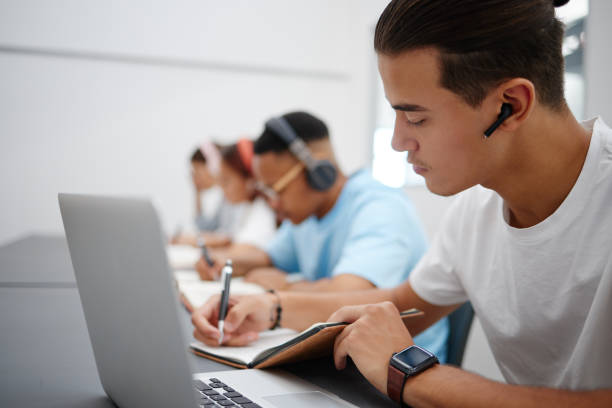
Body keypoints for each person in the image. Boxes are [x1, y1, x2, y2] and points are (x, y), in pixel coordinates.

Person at [191, 0, 612, 406]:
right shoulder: (476, 211)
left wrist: (415, 376)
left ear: (511, 105)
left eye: (415, 118)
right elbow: (403, 304)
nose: (397, 142)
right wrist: (272, 308)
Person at [195, 110, 449, 362]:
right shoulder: (305, 215)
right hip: (338, 355)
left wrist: (283, 286)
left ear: (318, 171)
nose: (273, 204)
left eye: (276, 190)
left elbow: (347, 294)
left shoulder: (379, 207)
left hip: (397, 370)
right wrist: (222, 261)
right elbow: (266, 257)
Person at [171, 142, 237, 248]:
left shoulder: (235, 197)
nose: (195, 177)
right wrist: (197, 192)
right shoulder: (225, 199)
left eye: (197, 170)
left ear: (212, 167)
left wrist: (188, 240)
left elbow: (228, 237)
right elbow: (206, 227)